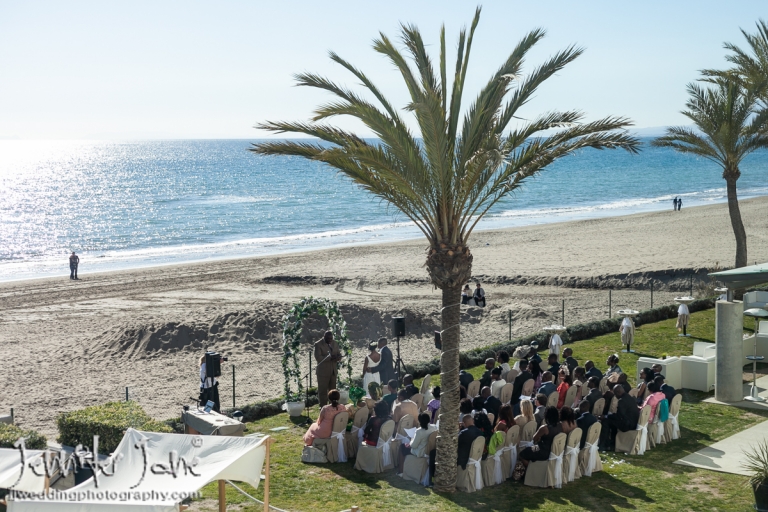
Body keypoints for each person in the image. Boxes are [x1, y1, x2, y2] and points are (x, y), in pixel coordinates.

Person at [600, 385, 639, 451]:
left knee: (605, 422)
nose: (615, 396)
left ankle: (604, 445)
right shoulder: (630, 397)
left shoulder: (622, 401)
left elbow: (619, 416)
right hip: (633, 422)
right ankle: (613, 441)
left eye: (615, 394)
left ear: (618, 392)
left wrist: (606, 416)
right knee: (612, 421)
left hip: (627, 425)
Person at [314, 331, 341, 406]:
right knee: (323, 391)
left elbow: (338, 352)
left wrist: (338, 357)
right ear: (324, 337)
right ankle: (323, 407)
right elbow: (318, 358)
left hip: (333, 371)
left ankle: (332, 406)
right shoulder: (318, 344)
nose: (330, 340)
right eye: (328, 338)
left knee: (333, 391)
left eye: (331, 338)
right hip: (323, 372)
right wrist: (330, 358)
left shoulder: (335, 343)